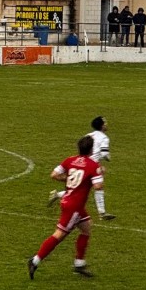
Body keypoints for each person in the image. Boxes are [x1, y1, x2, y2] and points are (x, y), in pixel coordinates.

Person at [27, 135, 103, 280]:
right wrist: (98, 177)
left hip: (71, 202)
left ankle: (79, 264)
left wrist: (67, 179)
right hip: (74, 206)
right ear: (91, 149)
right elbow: (98, 186)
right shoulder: (92, 165)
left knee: (86, 228)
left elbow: (54, 175)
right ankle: (35, 260)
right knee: (59, 235)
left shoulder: (70, 160)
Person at [49, 116, 114, 220]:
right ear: (102, 126)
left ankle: (57, 195)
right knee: (97, 186)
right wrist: (108, 159)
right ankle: (102, 213)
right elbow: (105, 154)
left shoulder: (88, 135)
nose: (107, 124)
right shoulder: (104, 138)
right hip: (92, 165)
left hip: (82, 162)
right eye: (105, 122)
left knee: (80, 186)